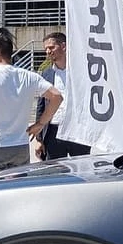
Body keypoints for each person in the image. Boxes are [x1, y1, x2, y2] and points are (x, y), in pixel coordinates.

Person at [0, 30, 62, 176]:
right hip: (20, 144)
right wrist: (41, 124)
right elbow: (57, 96)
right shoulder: (29, 76)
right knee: (18, 186)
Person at [36, 30, 92, 159]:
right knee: (55, 170)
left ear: (63, 46)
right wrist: (39, 139)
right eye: (46, 49)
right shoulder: (46, 74)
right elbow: (41, 106)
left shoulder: (82, 71)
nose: (48, 51)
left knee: (81, 167)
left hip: (77, 131)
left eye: (51, 47)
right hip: (53, 131)